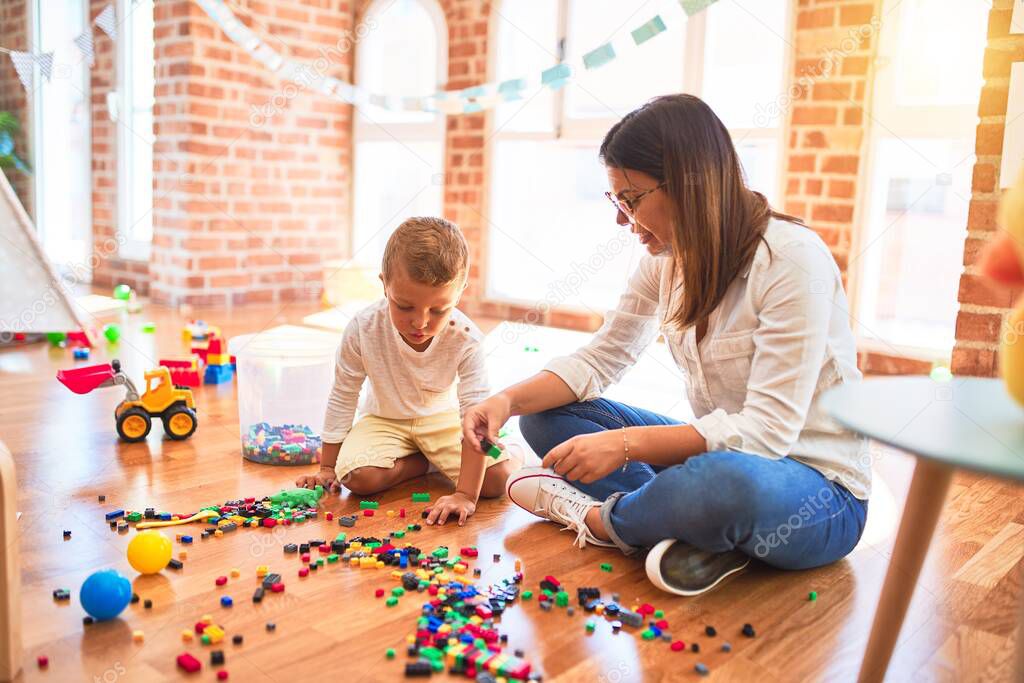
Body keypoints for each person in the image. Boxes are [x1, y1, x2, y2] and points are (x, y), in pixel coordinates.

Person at [462, 94, 871, 596]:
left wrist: (625, 444)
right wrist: (506, 400)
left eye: (630, 199)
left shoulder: (791, 260)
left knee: (722, 484)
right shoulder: (665, 259)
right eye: (616, 201)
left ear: (689, 183)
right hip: (717, 455)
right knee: (547, 418)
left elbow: (767, 433)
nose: (620, 218)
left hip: (816, 491)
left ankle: (601, 519)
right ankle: (687, 528)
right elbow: (602, 356)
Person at [296, 216, 516, 525]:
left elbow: (474, 414)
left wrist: (465, 495)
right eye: (404, 305)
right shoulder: (362, 328)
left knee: (497, 479)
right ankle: (427, 462)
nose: (420, 322)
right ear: (384, 284)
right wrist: (327, 469)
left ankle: (465, 454)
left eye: (439, 310)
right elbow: (343, 396)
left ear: (460, 291)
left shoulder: (466, 338)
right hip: (383, 419)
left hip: (445, 422)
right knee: (356, 477)